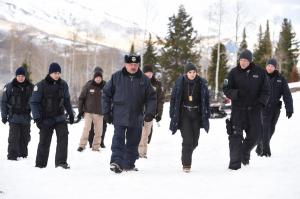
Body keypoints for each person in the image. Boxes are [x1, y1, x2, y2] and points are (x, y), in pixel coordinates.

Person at [102, 54, 156, 173]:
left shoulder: (144, 80)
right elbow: (106, 94)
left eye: (135, 64)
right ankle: (116, 162)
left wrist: (150, 112)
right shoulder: (116, 77)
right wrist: (106, 112)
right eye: (130, 64)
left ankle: (128, 164)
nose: (133, 67)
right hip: (119, 115)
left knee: (133, 141)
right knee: (118, 139)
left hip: (136, 116)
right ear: (125, 64)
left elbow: (151, 97)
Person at [223, 49, 270, 170]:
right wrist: (236, 93)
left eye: (245, 60)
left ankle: (244, 153)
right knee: (235, 137)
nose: (243, 62)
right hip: (238, 110)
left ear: (250, 61)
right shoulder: (233, 72)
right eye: (241, 60)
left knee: (256, 135)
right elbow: (226, 89)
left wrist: (261, 103)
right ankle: (234, 167)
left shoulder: (260, 72)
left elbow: (266, 90)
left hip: (254, 110)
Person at [30, 62, 74, 169]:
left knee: (63, 138)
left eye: (59, 73)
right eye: (55, 73)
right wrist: (37, 118)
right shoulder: (40, 86)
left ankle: (61, 163)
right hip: (45, 119)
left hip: (60, 118)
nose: (57, 75)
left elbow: (67, 100)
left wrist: (71, 113)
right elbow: (34, 102)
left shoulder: (63, 84)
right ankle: (40, 164)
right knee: (44, 141)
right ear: (50, 73)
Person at [169, 63, 210, 172]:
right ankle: (186, 164)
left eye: (194, 72)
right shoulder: (179, 83)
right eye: (190, 72)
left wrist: (207, 113)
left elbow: (206, 100)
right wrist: (172, 113)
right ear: (186, 73)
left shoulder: (201, 83)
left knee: (195, 141)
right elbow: (173, 99)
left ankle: (185, 154)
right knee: (187, 140)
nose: (192, 74)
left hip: (196, 114)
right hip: (184, 114)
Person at [256, 58, 293, 157]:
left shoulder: (281, 79)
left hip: (275, 108)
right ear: (266, 66)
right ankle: (266, 151)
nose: (269, 67)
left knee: (271, 128)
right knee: (266, 127)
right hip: (263, 107)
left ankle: (260, 145)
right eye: (268, 65)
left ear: (275, 67)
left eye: (272, 66)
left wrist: (289, 109)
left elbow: (287, 94)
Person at [1, 67, 34, 160]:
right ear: (16, 76)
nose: (20, 78)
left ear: (25, 76)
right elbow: (3, 101)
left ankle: (23, 156)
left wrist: (37, 116)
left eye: (22, 76)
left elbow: (36, 102)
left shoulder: (31, 87)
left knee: (25, 138)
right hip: (13, 117)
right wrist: (4, 116)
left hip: (26, 118)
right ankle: (12, 156)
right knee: (13, 138)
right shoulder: (9, 87)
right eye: (19, 76)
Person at [138, 64, 165, 158]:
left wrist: (159, 114)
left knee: (146, 134)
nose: (148, 74)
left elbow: (161, 100)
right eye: (146, 72)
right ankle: (139, 152)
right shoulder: (138, 81)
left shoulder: (157, 84)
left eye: (150, 72)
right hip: (138, 112)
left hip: (150, 112)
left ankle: (142, 153)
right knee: (139, 133)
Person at [77, 68, 105, 152]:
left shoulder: (105, 86)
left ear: (101, 78)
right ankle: (82, 145)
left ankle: (96, 147)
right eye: (97, 77)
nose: (98, 79)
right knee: (87, 128)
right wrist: (80, 111)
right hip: (88, 112)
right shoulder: (88, 85)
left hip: (99, 113)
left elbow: (109, 99)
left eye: (100, 77)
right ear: (94, 78)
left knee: (99, 131)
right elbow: (81, 98)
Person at [87, 67, 107, 149]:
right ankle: (91, 142)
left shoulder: (106, 84)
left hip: (103, 110)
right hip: (91, 110)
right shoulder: (89, 84)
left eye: (100, 73)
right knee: (91, 127)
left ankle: (101, 141)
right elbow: (84, 96)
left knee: (103, 127)